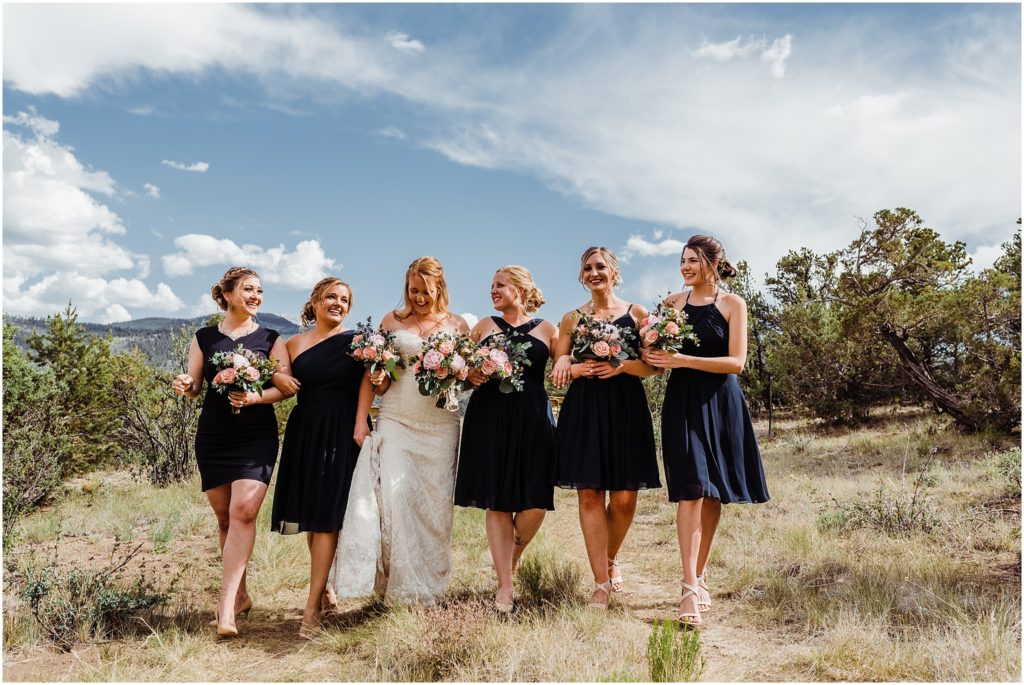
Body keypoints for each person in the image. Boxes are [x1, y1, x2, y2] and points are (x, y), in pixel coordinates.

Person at [642, 235, 770, 627]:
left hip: (721, 403)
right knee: (693, 488)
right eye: (682, 260)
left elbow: (736, 363)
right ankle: (687, 589)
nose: (685, 267)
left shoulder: (733, 304)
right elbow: (656, 360)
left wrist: (682, 358)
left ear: (713, 263)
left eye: (693, 260)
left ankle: (699, 575)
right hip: (681, 404)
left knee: (713, 494)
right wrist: (650, 354)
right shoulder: (670, 305)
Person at [332, 257, 470, 604]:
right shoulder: (391, 321)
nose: (419, 297)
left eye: (426, 291)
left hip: (439, 425)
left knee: (433, 508)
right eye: (413, 290)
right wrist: (361, 420)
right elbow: (375, 375)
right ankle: (395, 587)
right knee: (393, 499)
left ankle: (429, 587)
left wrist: (457, 374)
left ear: (440, 288)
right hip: (395, 418)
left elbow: (466, 382)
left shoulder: (458, 324)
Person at [171, 267, 291, 638]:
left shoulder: (271, 338)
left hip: (256, 436)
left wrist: (257, 396)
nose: (256, 296)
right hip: (214, 435)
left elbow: (286, 387)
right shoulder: (204, 337)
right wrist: (186, 383)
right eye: (248, 289)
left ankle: (224, 610)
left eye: (260, 290)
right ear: (227, 294)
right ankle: (240, 596)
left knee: (243, 512)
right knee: (225, 519)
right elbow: (195, 386)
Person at [550, 246, 661, 610]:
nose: (593, 273)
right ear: (582, 276)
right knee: (590, 494)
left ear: (614, 272)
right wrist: (573, 365)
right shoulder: (571, 318)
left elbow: (654, 367)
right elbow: (559, 367)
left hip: (626, 407)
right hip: (585, 407)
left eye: (600, 267)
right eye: (587, 268)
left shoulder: (637, 313)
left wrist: (622, 366)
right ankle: (601, 582)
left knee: (625, 497)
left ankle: (610, 557)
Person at [269, 277, 372, 637]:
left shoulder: (360, 341)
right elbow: (281, 386)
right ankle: (325, 587)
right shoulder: (293, 344)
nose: (338, 303)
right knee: (314, 517)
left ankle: (311, 607)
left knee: (328, 517)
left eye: (344, 299)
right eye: (331, 297)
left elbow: (368, 382)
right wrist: (267, 383)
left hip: (344, 428)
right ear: (314, 301)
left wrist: (361, 421)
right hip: (306, 430)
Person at [455, 266, 558, 612]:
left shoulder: (548, 329)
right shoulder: (483, 326)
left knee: (537, 500)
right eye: (491, 286)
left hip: (534, 419)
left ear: (521, 289)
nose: (493, 291)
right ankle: (505, 585)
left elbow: (566, 365)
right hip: (490, 418)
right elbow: (460, 376)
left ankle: (512, 555)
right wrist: (470, 374)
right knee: (496, 499)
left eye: (500, 285)